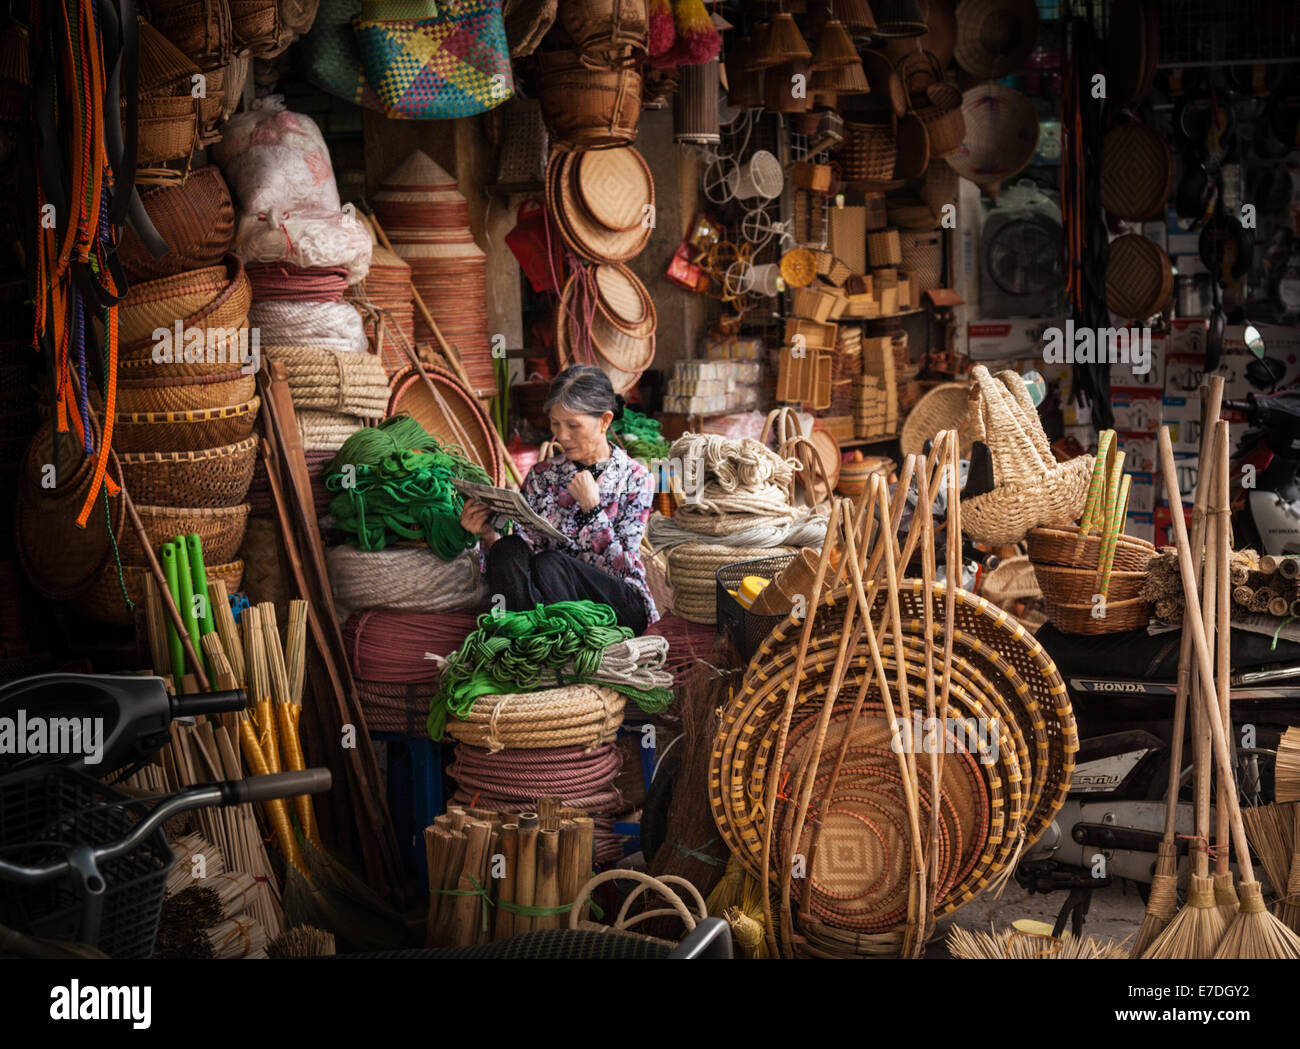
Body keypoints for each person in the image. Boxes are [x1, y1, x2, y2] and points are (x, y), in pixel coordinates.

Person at [460, 365, 658, 633]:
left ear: (605, 421)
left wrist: (593, 510)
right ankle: (534, 639)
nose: (562, 436)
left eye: (573, 425)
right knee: (508, 549)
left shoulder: (635, 478)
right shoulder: (544, 475)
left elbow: (622, 570)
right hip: (549, 598)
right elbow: (522, 560)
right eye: (555, 423)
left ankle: (537, 636)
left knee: (550, 563)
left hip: (619, 605)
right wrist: (487, 534)